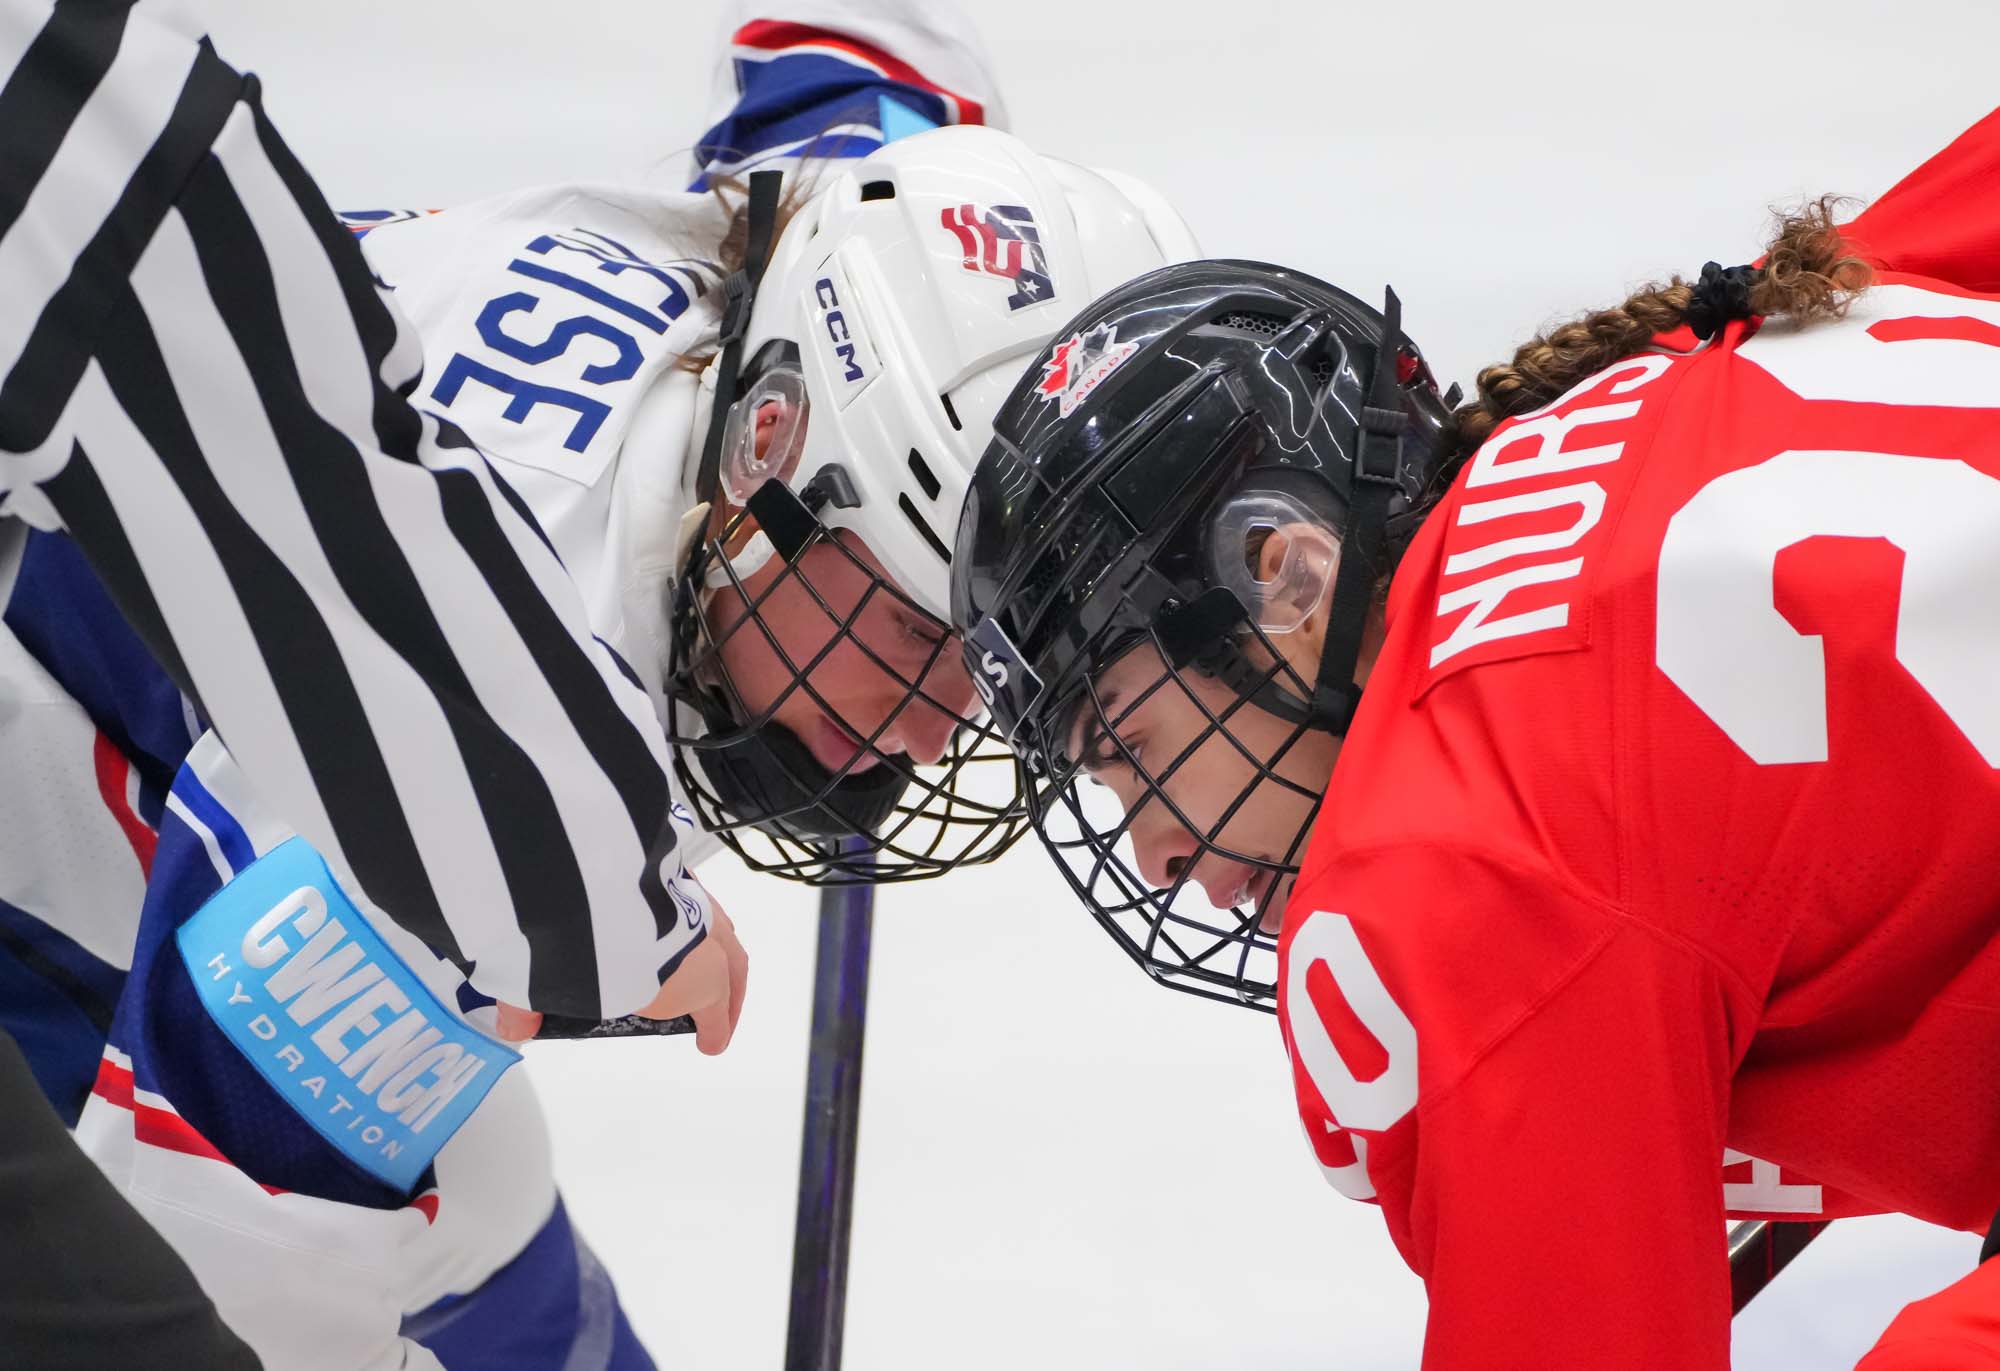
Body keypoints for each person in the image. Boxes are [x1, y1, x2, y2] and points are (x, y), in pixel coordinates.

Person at [22, 4, 1196, 1366]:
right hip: (40, 814)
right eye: (915, 624)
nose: (938, 726)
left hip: (163, 740)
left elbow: (837, 66)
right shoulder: (526, 680)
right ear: (768, 450)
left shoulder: (787, 272)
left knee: (475, 1175)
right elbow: (210, 1216)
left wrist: (946, 182)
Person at [949, 108, 2000, 1368]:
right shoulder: (1676, 367)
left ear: (1278, 574)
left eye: (1127, 740)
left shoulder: (1446, 871)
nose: (1155, 851)